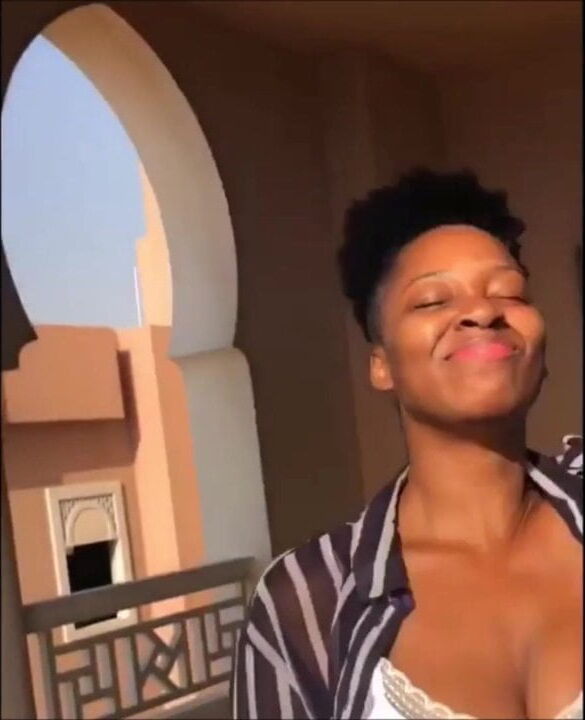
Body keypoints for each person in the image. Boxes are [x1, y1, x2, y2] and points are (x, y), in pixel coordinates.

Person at [231, 169, 582, 719]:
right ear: (381, 365)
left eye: (509, 292)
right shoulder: (307, 601)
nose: (482, 312)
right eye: (432, 301)